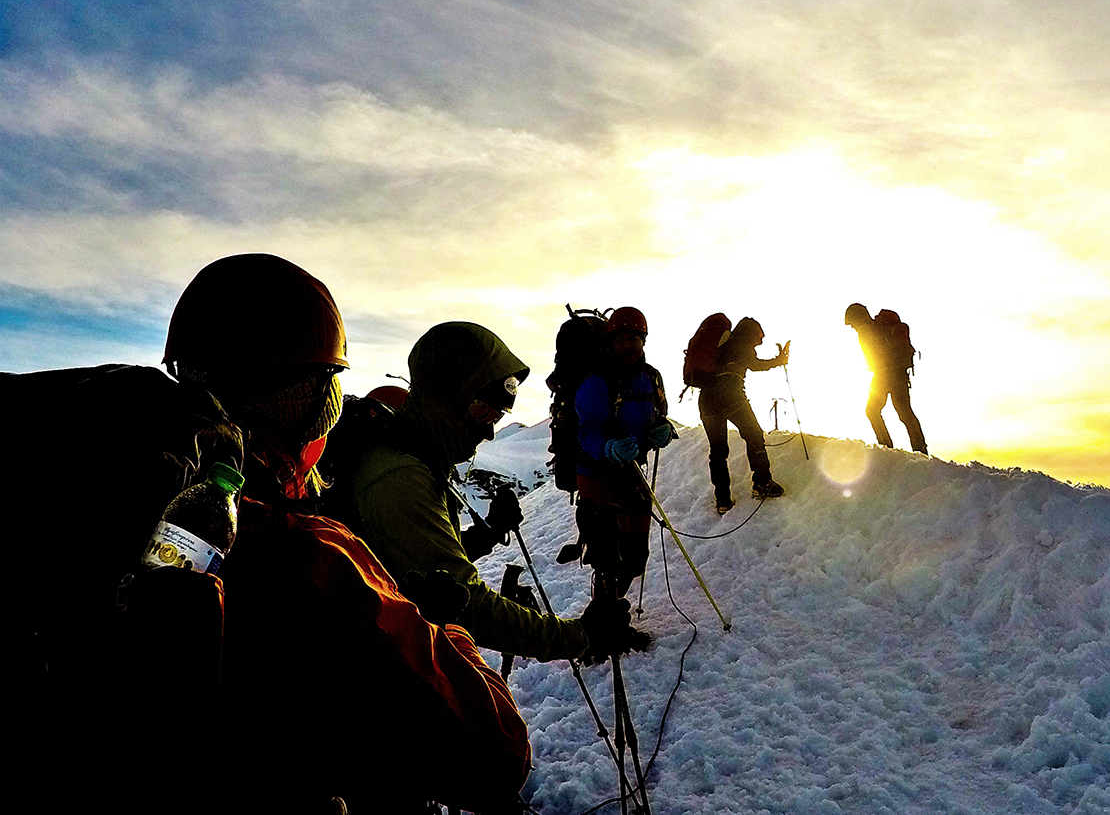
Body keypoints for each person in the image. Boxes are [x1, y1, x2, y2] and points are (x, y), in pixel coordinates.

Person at [8, 253, 531, 814]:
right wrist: (445, 629)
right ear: (307, 404)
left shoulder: (104, 494)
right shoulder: (303, 549)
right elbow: (497, 754)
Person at [345, 321, 628, 663]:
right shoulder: (400, 478)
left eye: (497, 416)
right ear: (444, 399)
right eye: (482, 411)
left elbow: (425, 566)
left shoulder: (416, 460)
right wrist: (579, 636)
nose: (489, 432)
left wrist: (489, 531)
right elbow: (468, 602)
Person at [573, 307, 676, 607]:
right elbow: (586, 429)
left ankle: (611, 607)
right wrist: (607, 448)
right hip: (597, 474)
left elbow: (659, 414)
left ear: (643, 340)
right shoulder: (598, 381)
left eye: (633, 338)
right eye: (620, 339)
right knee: (607, 555)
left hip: (633, 473)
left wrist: (663, 429)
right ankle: (604, 617)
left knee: (635, 555)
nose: (627, 345)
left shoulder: (651, 377)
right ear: (611, 342)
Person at [698, 316, 789, 514]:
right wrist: (779, 361)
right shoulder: (741, 343)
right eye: (759, 337)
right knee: (754, 435)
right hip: (730, 395)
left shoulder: (722, 346)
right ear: (751, 333)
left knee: (718, 451)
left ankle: (722, 500)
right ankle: (762, 484)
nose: (760, 341)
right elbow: (755, 364)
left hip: (706, 399)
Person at [845, 303, 928, 454]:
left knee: (875, 411)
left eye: (853, 323)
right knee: (903, 413)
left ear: (859, 319)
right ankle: (919, 449)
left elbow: (875, 356)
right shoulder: (873, 329)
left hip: (887, 375)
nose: (853, 327)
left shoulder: (870, 331)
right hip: (895, 374)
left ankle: (887, 448)